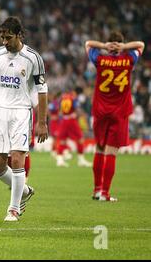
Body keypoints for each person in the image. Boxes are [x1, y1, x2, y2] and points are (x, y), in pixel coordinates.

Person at [0, 16, 48, 222]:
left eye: (8, 37)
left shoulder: (33, 58)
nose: (4, 42)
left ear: (19, 35)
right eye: (2, 37)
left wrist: (42, 122)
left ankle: (13, 209)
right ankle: (25, 191)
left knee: (17, 159)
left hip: (21, 112)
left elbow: (42, 91)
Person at [85, 31, 145, 201]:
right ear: (121, 45)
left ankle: (97, 190)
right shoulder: (129, 60)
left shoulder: (100, 60)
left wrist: (104, 46)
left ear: (109, 44)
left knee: (99, 148)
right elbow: (141, 44)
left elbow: (88, 43)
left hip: (101, 110)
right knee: (111, 152)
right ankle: (105, 193)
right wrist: (125, 47)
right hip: (119, 112)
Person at [55, 90, 92, 167]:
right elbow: (77, 108)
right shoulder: (73, 98)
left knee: (62, 140)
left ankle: (60, 159)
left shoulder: (62, 98)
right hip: (71, 120)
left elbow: (59, 110)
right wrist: (81, 115)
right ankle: (81, 160)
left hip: (64, 120)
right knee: (80, 139)